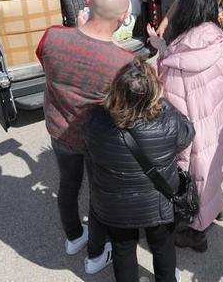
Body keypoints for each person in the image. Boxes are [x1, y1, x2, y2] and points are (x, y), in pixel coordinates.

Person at [35, 0, 135, 273]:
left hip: (59, 130)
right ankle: (95, 254)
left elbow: (46, 64)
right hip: (98, 140)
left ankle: (73, 236)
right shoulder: (123, 62)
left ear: (88, 3)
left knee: (68, 184)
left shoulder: (53, 36)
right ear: (124, 17)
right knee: (98, 193)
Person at [83, 61, 194, 282]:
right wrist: (168, 105)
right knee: (162, 245)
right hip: (159, 201)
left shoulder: (96, 117)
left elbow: (88, 148)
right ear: (153, 93)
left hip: (113, 204)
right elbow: (187, 134)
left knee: (122, 248)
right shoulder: (167, 118)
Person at [158, 0, 223, 253]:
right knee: (213, 169)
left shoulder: (174, 56)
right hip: (217, 124)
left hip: (188, 132)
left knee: (191, 177)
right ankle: (216, 209)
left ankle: (196, 233)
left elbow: (167, 104)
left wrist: (161, 53)